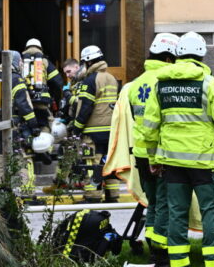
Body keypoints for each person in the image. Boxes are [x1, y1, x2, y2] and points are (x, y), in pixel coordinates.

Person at [143, 32, 214, 267]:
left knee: (177, 213)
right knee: (210, 213)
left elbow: (149, 128)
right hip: (205, 163)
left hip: (173, 163)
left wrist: (153, 158)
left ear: (177, 54)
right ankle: (213, 263)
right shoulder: (210, 84)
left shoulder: (160, 85)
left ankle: (179, 263)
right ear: (202, 55)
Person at [128, 32, 179, 265]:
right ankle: (160, 253)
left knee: (153, 203)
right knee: (165, 204)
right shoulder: (167, 81)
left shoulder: (135, 83)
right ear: (168, 58)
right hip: (161, 154)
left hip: (141, 153)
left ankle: (152, 246)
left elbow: (136, 119)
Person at [69, 44, 120, 202]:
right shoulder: (112, 78)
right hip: (111, 129)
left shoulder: (90, 81)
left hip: (93, 130)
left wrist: (76, 128)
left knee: (92, 162)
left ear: (89, 62)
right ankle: (112, 195)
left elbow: (85, 107)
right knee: (108, 161)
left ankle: (93, 195)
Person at [0, 49, 41, 196]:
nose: (22, 64)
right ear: (15, 62)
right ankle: (27, 191)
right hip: (13, 125)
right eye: (20, 62)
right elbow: (23, 104)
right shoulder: (15, 78)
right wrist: (34, 125)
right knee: (20, 157)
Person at [21, 38, 65, 128]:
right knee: (45, 125)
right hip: (42, 101)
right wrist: (53, 96)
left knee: (24, 125)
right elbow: (58, 82)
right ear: (40, 48)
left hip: (24, 101)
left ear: (26, 48)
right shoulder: (45, 61)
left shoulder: (20, 61)